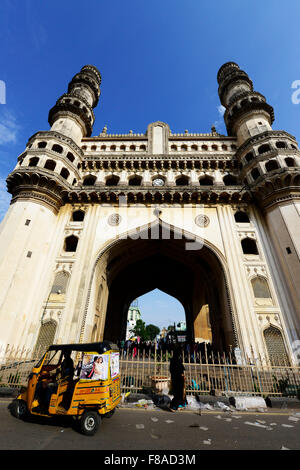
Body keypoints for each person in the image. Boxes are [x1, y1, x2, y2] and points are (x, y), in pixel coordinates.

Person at [169, 347, 187, 411]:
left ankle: (181, 404)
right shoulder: (177, 361)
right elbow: (180, 370)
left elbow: (171, 370)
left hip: (174, 378)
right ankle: (174, 406)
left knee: (179, 393)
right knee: (179, 393)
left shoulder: (172, 360)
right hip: (178, 379)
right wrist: (182, 375)